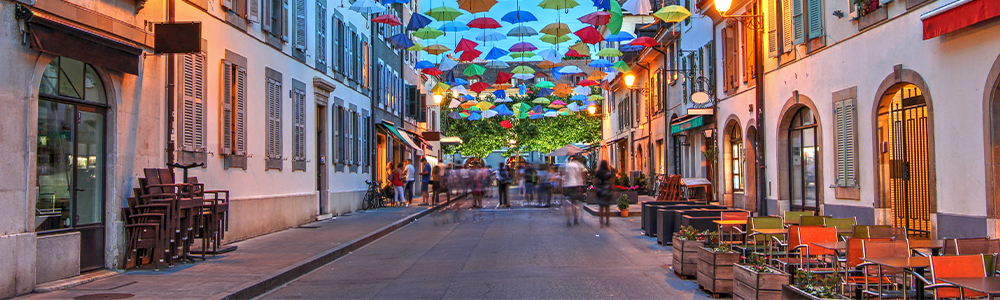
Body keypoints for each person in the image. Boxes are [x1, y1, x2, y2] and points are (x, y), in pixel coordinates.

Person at [561, 155, 586, 226]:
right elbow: (583, 175)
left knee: (568, 203)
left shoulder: (568, 165)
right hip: (577, 185)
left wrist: (564, 184)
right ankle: (576, 219)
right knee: (575, 203)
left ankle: (568, 220)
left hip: (569, 185)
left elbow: (566, 175)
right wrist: (583, 183)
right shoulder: (580, 165)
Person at [594, 160, 614, 228]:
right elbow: (611, 183)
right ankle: (607, 221)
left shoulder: (598, 173)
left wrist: (596, 189)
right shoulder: (608, 173)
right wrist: (612, 190)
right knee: (607, 207)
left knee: (601, 207)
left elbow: (595, 182)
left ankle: (601, 221)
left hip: (600, 191)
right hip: (607, 191)